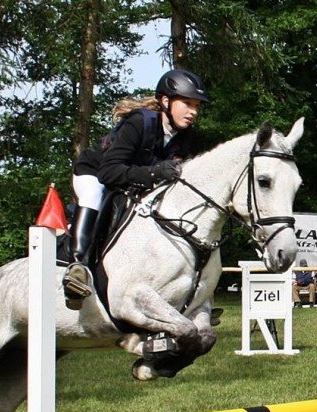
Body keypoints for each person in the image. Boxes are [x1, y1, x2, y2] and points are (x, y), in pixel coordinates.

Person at [62, 69, 209, 309]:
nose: (193, 111)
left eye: (197, 106)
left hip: (134, 182)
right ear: (165, 101)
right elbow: (109, 173)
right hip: (96, 173)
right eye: (187, 103)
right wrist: (154, 173)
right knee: (94, 195)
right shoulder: (140, 123)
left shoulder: (188, 137)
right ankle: (76, 267)